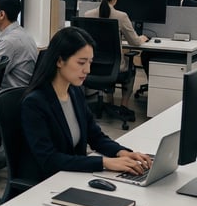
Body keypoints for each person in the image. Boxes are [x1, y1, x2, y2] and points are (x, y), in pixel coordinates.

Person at [20, 26, 152, 182]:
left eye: (90, 62)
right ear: (60, 61)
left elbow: (95, 136)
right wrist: (105, 163)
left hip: (73, 175)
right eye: (81, 62)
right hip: (47, 184)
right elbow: (49, 160)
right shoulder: (35, 103)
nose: (88, 70)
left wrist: (122, 152)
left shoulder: (74, 92)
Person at [83, 0, 147, 121]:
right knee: (131, 68)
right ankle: (123, 106)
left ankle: (109, 101)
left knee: (108, 64)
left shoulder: (87, 14)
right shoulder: (121, 16)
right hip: (115, 69)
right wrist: (142, 38)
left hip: (92, 66)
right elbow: (135, 42)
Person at [0, 0, 37, 89]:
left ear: (1, 14)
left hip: (8, 100)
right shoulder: (22, 34)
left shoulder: (10, 41)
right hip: (19, 95)